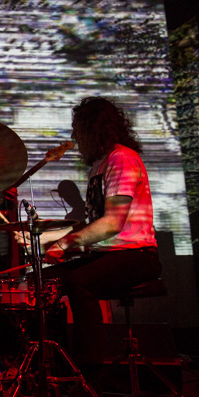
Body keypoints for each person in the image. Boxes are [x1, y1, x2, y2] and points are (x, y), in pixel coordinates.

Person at [19, 97, 161, 372]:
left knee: (78, 281)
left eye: (76, 129)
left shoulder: (121, 159)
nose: (73, 136)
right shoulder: (99, 165)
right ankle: (53, 366)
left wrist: (63, 242)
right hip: (109, 254)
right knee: (44, 280)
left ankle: (90, 371)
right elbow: (92, 223)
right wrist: (44, 237)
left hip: (138, 255)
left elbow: (112, 224)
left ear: (92, 128)